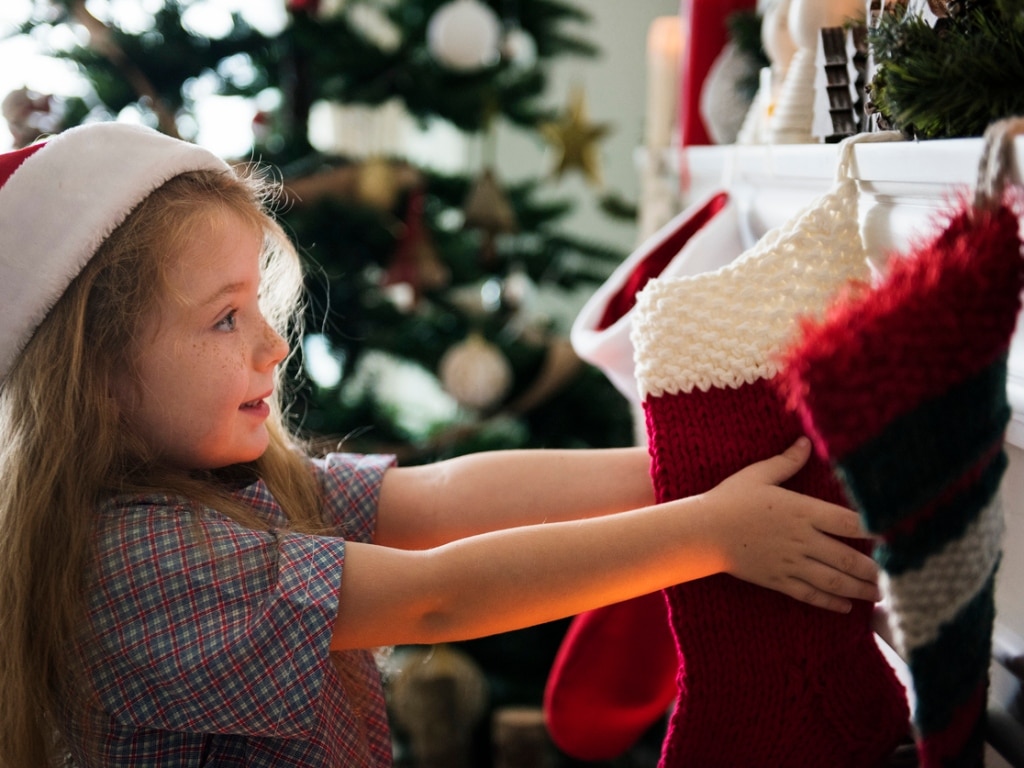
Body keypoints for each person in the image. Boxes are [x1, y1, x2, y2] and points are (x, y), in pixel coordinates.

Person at [0, 122, 881, 768]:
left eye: (260, 309)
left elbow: (437, 499)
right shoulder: (134, 554)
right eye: (225, 318)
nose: (272, 347)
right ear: (97, 375)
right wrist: (710, 534)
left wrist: (693, 471)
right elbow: (436, 600)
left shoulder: (226, 479)